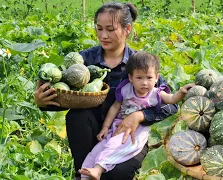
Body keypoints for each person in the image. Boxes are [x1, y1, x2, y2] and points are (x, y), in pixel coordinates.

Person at [34, 2, 179, 179]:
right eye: (99, 28)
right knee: (76, 116)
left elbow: (171, 106)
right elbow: (66, 94)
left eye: (110, 29)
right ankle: (83, 174)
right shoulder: (84, 60)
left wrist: (140, 116)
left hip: (127, 136)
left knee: (115, 174)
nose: (103, 35)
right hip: (94, 131)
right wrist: (44, 102)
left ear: (127, 29)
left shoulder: (141, 64)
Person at [78, 51, 194, 180]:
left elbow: (172, 99)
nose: (144, 83)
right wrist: (105, 127)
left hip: (137, 131)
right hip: (118, 126)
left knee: (114, 147)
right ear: (131, 78)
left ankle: (98, 169)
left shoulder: (156, 93)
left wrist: (182, 92)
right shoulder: (125, 89)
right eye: (139, 78)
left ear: (156, 77)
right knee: (98, 149)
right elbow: (115, 107)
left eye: (149, 78)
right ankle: (84, 174)